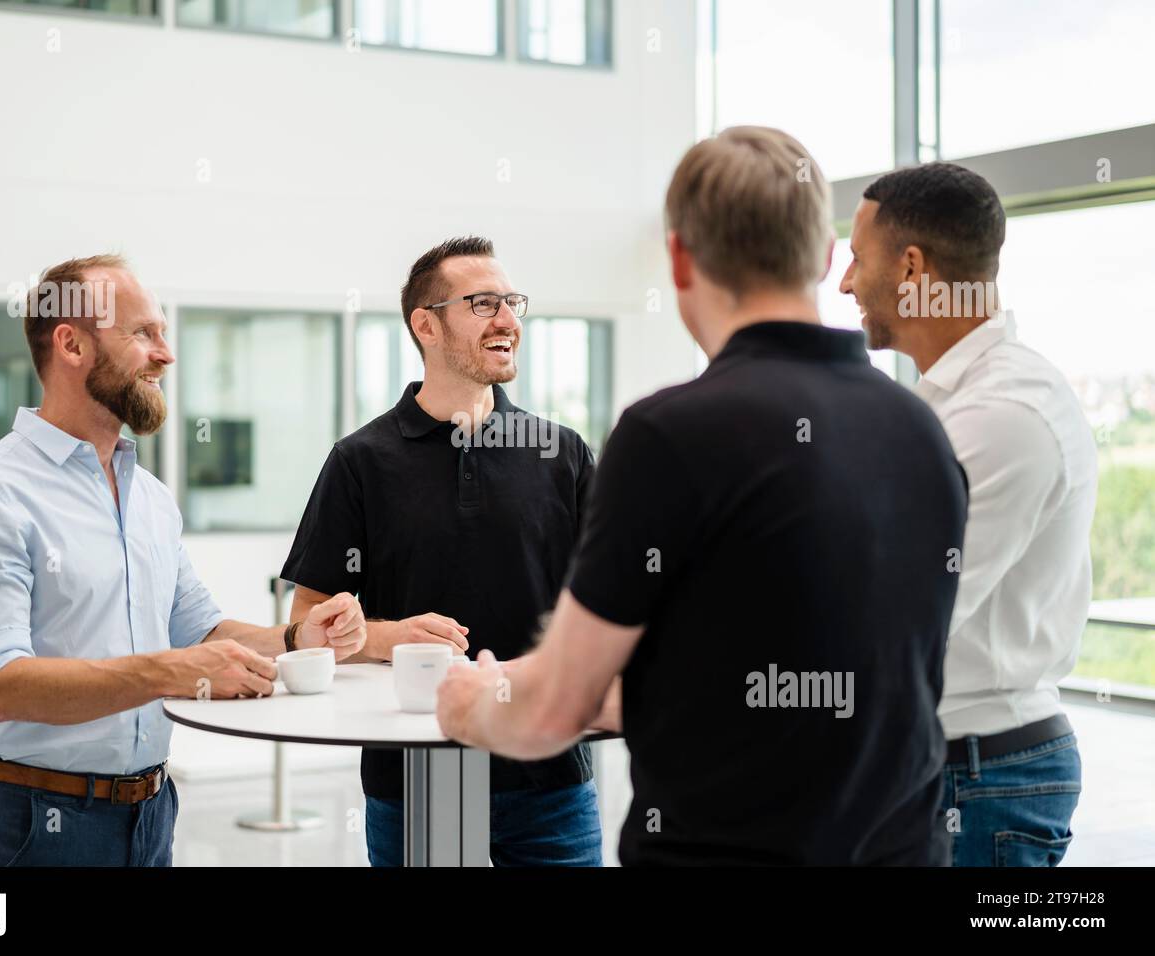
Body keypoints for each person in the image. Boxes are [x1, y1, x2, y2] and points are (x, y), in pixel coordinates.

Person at [437, 128, 968, 866]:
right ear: (819, 256)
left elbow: (552, 709)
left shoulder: (669, 435)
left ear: (681, 258)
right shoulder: (921, 428)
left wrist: (471, 701)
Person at [0, 254, 366, 867]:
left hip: (152, 812)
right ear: (71, 344)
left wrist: (294, 637)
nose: (167, 353)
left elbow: (200, 632)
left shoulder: (149, 496)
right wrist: (168, 672)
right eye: (143, 334)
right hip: (38, 822)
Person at [282, 236, 603, 866]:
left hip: (550, 768)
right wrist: (385, 636)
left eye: (513, 303)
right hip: (423, 771)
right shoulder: (361, 461)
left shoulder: (562, 454)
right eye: (484, 304)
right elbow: (305, 624)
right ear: (425, 325)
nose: (509, 320)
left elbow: (604, 607)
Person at [839, 162, 1097, 866]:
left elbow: (895, 611)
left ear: (912, 266)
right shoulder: (945, 403)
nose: (845, 283)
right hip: (949, 770)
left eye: (857, 258)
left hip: (981, 784)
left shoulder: (1003, 415)